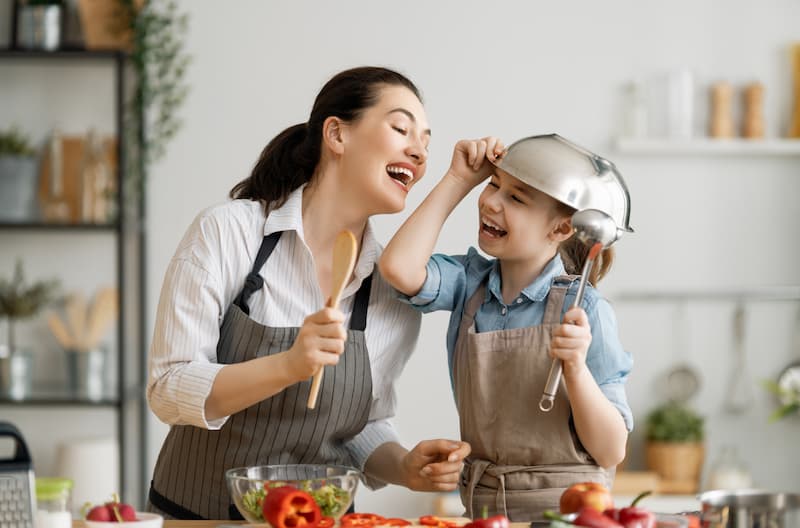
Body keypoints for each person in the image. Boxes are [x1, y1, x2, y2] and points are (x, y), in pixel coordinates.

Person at [146, 67, 470, 520]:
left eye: (426, 143)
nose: (418, 151)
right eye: (401, 128)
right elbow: (168, 388)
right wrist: (288, 365)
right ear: (336, 134)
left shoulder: (390, 290)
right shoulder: (228, 233)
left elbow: (360, 425)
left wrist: (406, 468)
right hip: (200, 517)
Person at [378, 135, 634, 521]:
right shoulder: (468, 283)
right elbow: (398, 269)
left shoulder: (585, 310)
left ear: (562, 229)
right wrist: (458, 180)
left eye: (516, 198)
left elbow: (611, 450)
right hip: (484, 511)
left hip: (570, 516)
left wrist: (576, 369)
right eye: (494, 184)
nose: (491, 201)